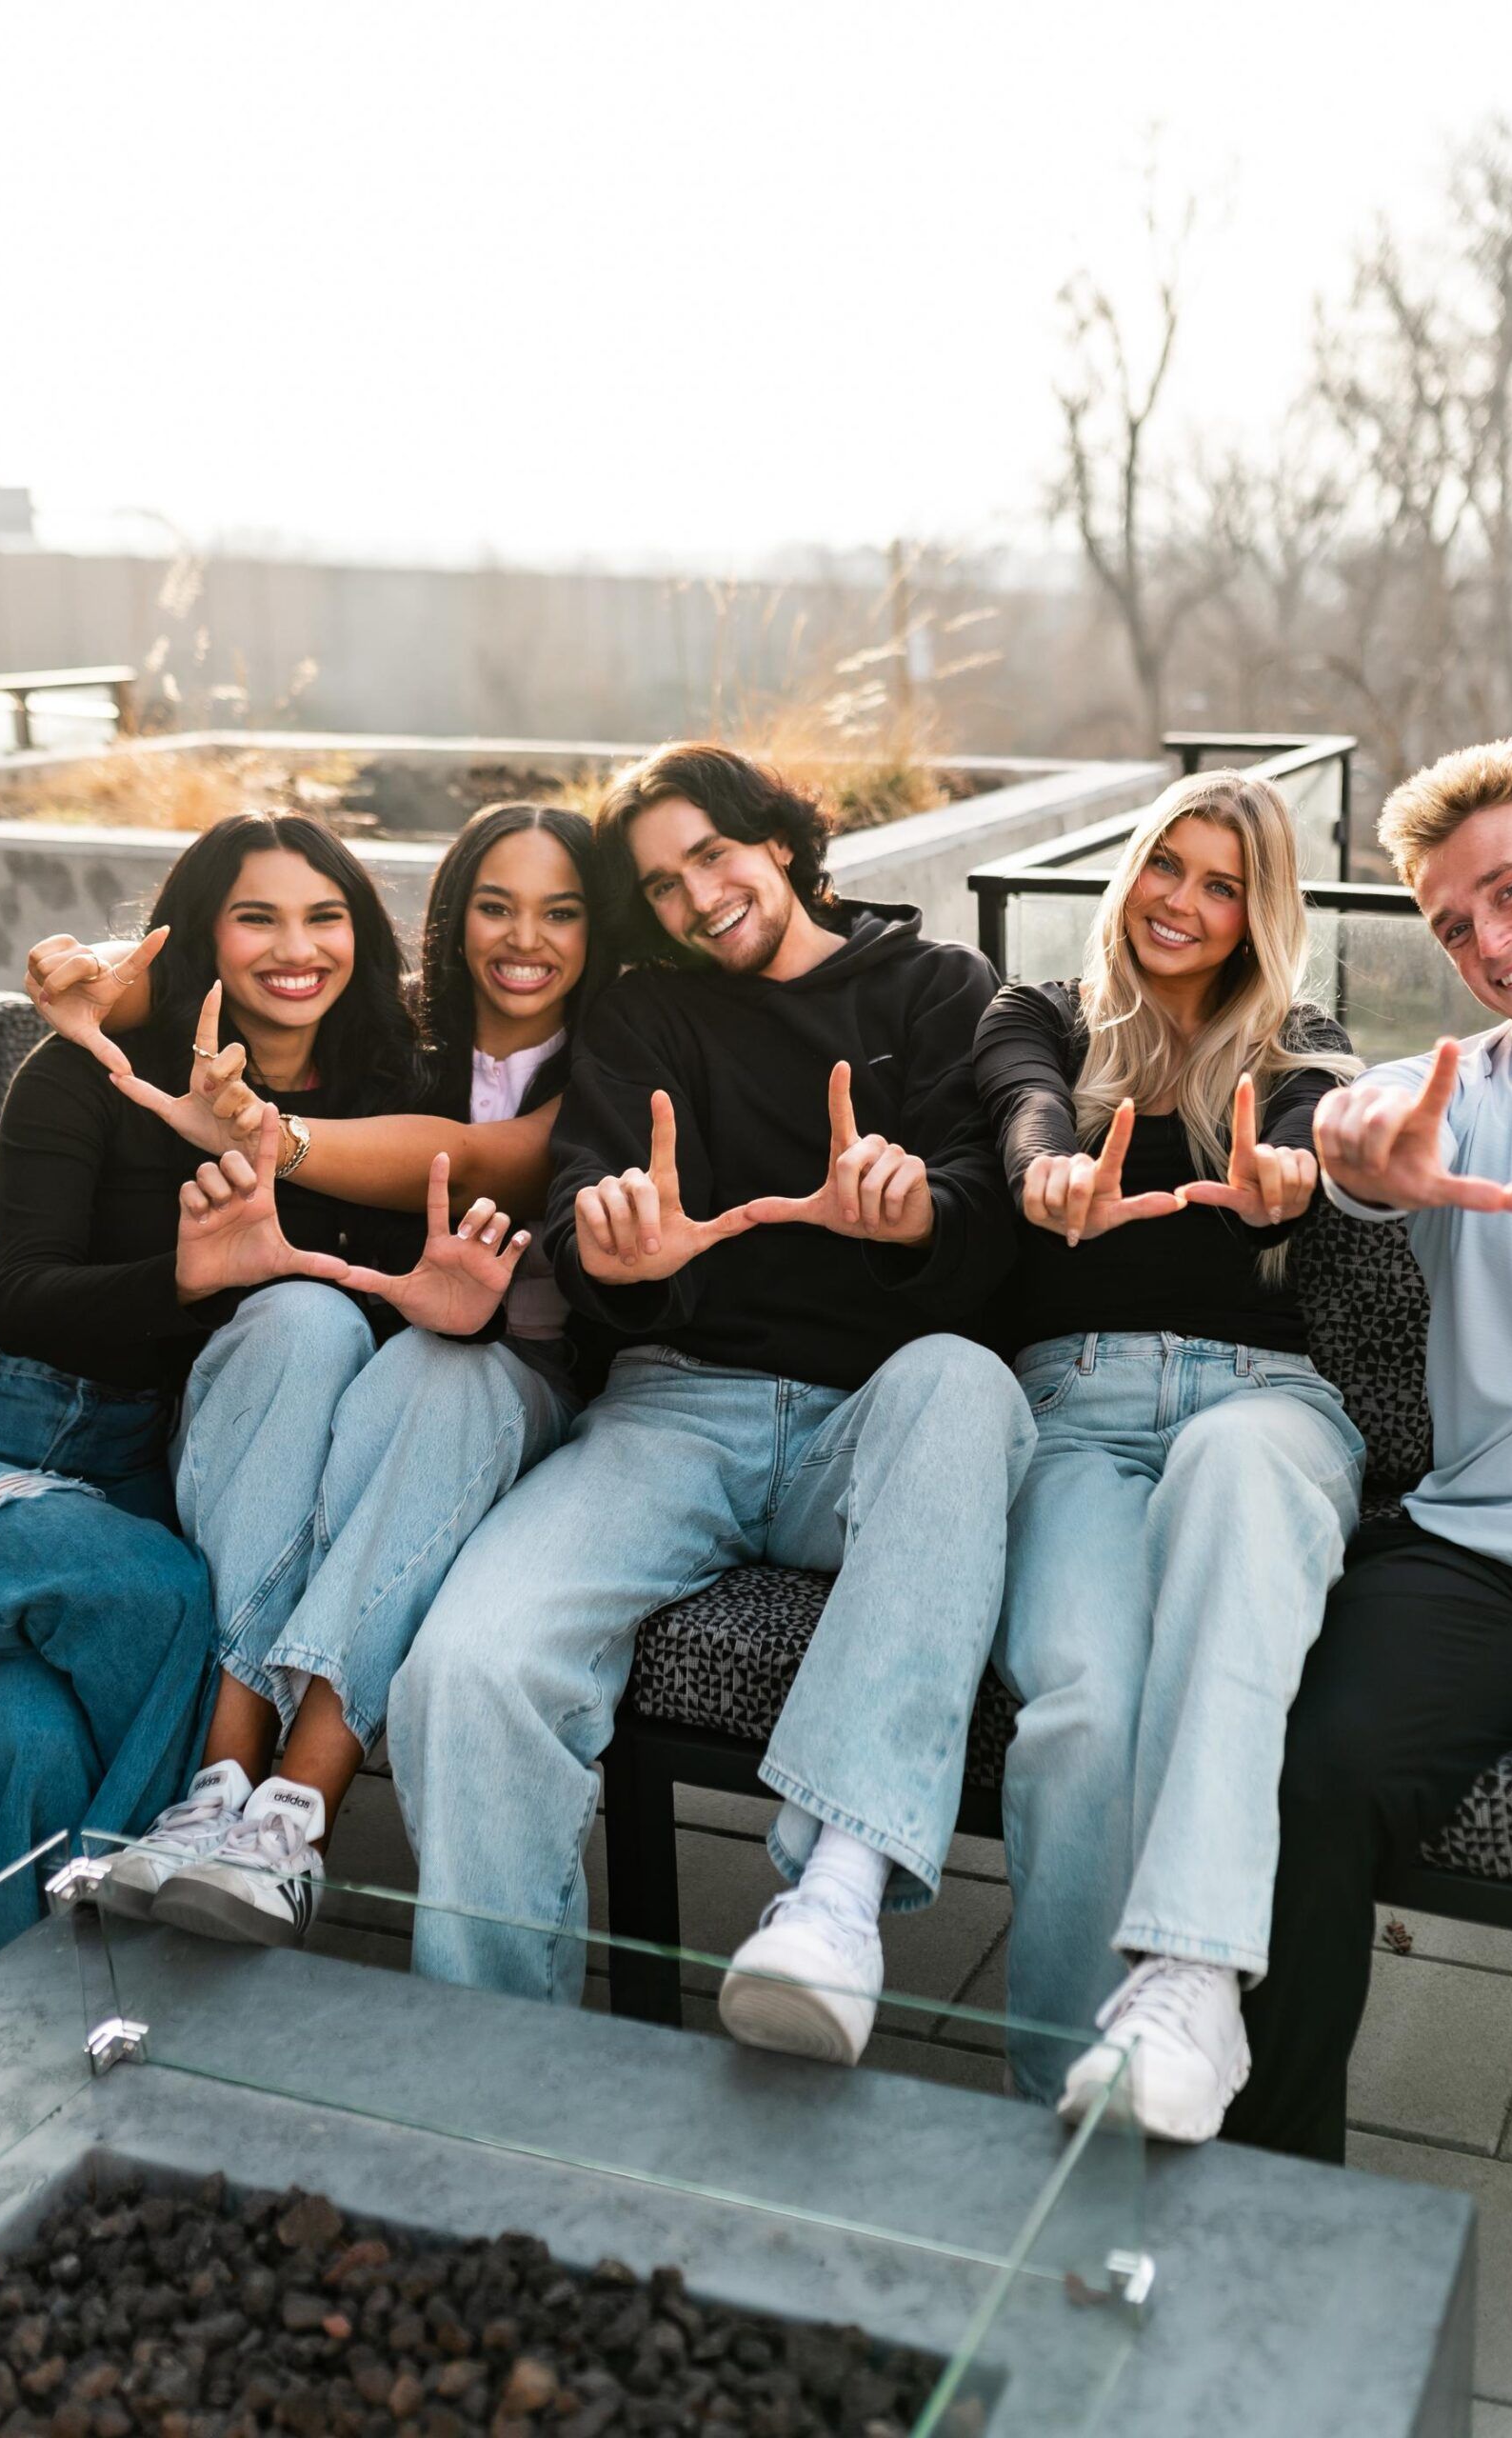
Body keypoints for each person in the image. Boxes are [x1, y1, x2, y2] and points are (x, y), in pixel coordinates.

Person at [388, 742, 1033, 2061]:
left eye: (712, 858)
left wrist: (916, 1217)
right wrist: (616, 1253)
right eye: (661, 887)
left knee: (965, 1383)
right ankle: (489, 2071)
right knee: (468, 1664)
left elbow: (990, 1226)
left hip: (876, 1421)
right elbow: (584, 1204)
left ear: (780, 843)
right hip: (672, 1413)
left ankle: (832, 1903)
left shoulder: (933, 987)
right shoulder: (643, 1013)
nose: (695, 899)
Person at [39, 807, 609, 1946]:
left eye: (560, 911)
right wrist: (98, 969)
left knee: (446, 1375)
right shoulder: (396, 1043)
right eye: (495, 905)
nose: (524, 938)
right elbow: (179, 982)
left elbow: (501, 1159)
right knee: (315, 1322)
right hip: (381, 1361)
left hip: (530, 1382)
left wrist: (265, 1133)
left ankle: (295, 1813)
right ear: (450, 921)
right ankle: (221, 1796)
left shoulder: (620, 1045)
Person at [0, 809, 427, 1968]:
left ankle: (18, 2034)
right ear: (201, 935)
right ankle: (136, 1914)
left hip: (131, 1462)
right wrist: (179, 1277)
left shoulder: (373, 1100)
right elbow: (15, 1288)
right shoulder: (89, 1070)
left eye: (325, 916)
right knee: (164, 1599)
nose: (295, 946)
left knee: (30, 1737)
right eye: (255, 916)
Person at [974, 769, 1366, 2142]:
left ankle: (1192, 1981)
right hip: (1074, 1409)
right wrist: (1045, 1177)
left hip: (1259, 1401)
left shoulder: (1297, 1043)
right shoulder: (1039, 1013)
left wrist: (1299, 1176)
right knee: (1081, 1709)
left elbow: (1327, 1127)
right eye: (1167, 868)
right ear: (1129, 869)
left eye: (1221, 886)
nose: (1183, 905)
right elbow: (1023, 1102)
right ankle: (1062, 2105)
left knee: (1229, 1484)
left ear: (1258, 916)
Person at [1226, 738, 1512, 2163]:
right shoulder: (1449, 1097)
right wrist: (1355, 1142)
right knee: (1311, 1776)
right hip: (1474, 1559)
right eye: (1451, 924)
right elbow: (1352, 1137)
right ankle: (1269, 2199)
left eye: (1511, 893)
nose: (1488, 943)